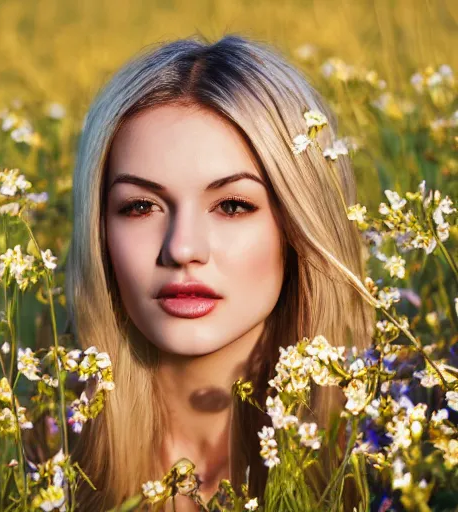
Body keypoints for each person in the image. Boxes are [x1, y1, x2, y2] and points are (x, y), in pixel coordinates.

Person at [64, 33, 375, 511]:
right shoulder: (32, 460)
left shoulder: (381, 465)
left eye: (232, 205)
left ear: (299, 224)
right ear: (98, 232)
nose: (183, 248)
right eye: (141, 206)